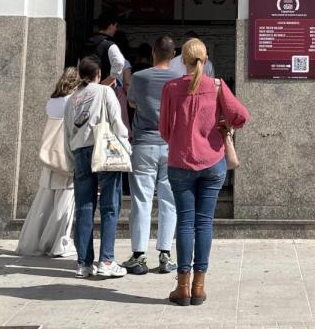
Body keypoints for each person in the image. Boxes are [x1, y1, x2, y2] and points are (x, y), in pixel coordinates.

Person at [160, 38, 249, 306]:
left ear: (182, 60)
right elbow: (241, 116)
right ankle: (199, 287)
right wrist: (223, 123)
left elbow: (164, 130)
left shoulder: (171, 88)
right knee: (204, 223)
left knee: (185, 223)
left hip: (180, 163)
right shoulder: (217, 86)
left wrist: (181, 140)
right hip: (212, 163)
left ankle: (182, 287)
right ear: (206, 59)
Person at [120, 36, 180, 275]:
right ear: (173, 54)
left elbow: (133, 103)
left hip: (144, 143)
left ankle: (138, 256)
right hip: (171, 145)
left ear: (153, 53)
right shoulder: (179, 79)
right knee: (169, 200)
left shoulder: (139, 77)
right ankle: (165, 254)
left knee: (141, 200)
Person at [66, 56, 129, 279]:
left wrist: (71, 160)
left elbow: (67, 132)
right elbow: (117, 122)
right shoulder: (105, 91)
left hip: (80, 152)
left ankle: (84, 264)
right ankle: (107, 260)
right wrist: (126, 147)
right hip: (105, 150)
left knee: (84, 208)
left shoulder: (72, 99)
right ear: (99, 74)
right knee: (110, 206)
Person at [16, 67, 81, 258]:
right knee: (65, 201)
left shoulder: (52, 101)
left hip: (50, 157)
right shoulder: (73, 101)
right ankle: (58, 243)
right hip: (66, 156)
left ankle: (35, 241)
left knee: (44, 203)